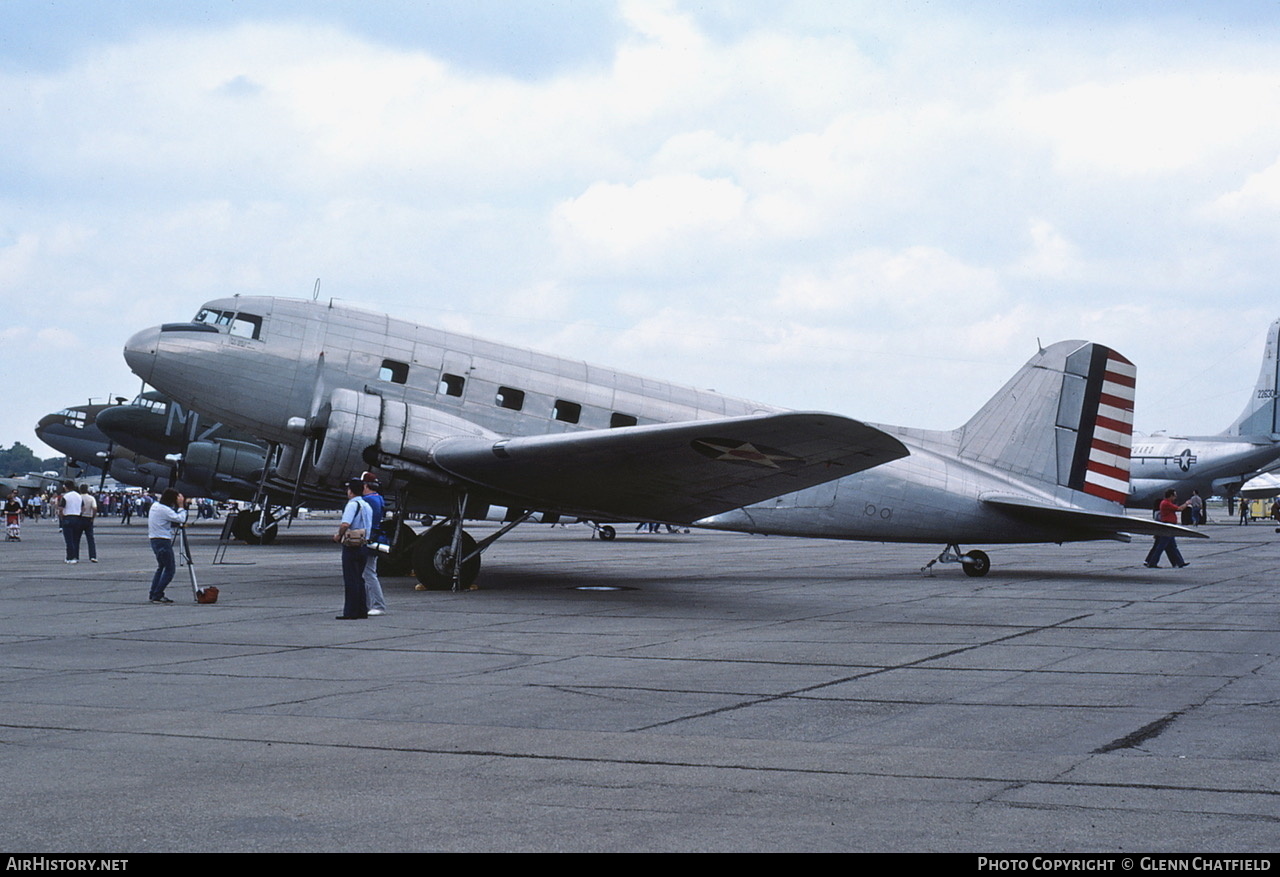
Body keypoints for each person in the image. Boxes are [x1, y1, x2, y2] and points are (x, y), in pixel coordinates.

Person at [333, 478, 372, 620]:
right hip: (364, 544)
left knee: (351, 580)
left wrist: (338, 535)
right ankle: (362, 610)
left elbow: (345, 524)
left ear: (350, 491)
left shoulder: (352, 505)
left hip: (352, 546)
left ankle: (350, 612)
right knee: (359, 579)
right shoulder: (366, 505)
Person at [148, 488, 188, 603]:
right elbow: (181, 519)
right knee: (170, 569)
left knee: (161, 567)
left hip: (154, 539)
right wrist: (181, 506)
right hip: (163, 540)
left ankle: (154, 593)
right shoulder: (165, 510)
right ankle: (158, 594)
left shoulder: (155, 506)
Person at [360, 474, 387, 616]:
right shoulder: (378, 498)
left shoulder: (368, 500)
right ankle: (369, 604)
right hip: (375, 537)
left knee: (369, 573)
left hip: (368, 538)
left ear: (366, 485)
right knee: (368, 572)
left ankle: (378, 604)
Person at [1144, 489, 1190, 569]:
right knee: (1161, 546)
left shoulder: (1166, 503)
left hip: (1170, 526)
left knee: (1172, 546)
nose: (1175, 497)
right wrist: (1186, 503)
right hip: (1167, 526)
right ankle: (1153, 562)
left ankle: (1180, 562)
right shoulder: (1166, 503)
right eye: (1174, 495)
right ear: (1171, 496)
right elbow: (1179, 509)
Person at [58, 482, 84, 563]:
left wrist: (62, 517)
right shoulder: (79, 496)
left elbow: (61, 508)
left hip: (68, 517)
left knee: (69, 540)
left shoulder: (65, 496)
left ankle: (70, 557)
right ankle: (76, 556)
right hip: (77, 518)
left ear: (66, 487)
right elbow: (83, 508)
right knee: (76, 539)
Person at [78, 484, 98, 562]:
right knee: (90, 538)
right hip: (88, 518)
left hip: (79, 518)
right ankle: (93, 556)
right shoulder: (91, 498)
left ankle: (75, 556)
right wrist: (93, 517)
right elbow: (95, 508)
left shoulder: (78, 498)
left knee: (76, 538)